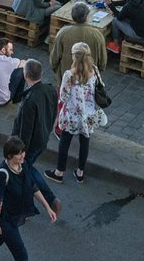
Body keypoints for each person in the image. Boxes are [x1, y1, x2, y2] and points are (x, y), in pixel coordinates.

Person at [0, 137, 58, 261]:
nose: (23, 155)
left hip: (15, 215)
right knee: (21, 254)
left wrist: (47, 208)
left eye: (23, 151)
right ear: (9, 155)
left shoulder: (22, 165)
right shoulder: (3, 174)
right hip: (5, 219)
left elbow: (33, 186)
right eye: (19, 153)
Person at [46, 41, 108, 184]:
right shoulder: (94, 69)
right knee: (85, 141)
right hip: (89, 114)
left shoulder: (69, 75)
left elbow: (63, 97)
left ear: (75, 56)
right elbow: (100, 86)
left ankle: (59, 172)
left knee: (64, 141)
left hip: (72, 115)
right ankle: (80, 172)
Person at [49, 2, 106, 80]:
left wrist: (56, 71)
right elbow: (102, 62)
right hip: (88, 78)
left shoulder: (63, 32)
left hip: (67, 78)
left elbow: (54, 58)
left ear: (72, 16)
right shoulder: (97, 35)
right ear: (87, 17)